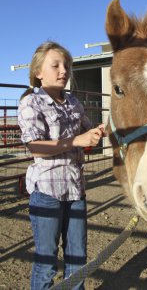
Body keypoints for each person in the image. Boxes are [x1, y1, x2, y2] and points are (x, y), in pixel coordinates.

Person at [18, 41, 105, 290]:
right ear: (38, 72)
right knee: (46, 264)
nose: (63, 70)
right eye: (55, 65)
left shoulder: (74, 103)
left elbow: (90, 131)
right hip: (46, 193)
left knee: (77, 259)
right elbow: (36, 147)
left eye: (66, 65)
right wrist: (77, 140)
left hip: (76, 191)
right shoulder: (30, 103)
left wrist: (102, 131)